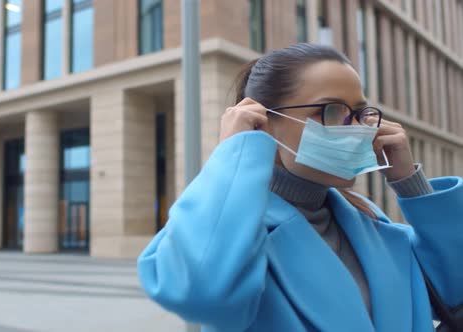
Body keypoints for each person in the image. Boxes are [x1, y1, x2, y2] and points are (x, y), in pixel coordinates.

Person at [136, 43, 463, 331]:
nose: (356, 128)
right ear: (266, 121)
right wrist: (235, 154)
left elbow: (454, 290)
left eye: (360, 113)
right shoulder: (234, 234)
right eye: (332, 111)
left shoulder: (371, 223)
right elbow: (201, 294)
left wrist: (411, 185)